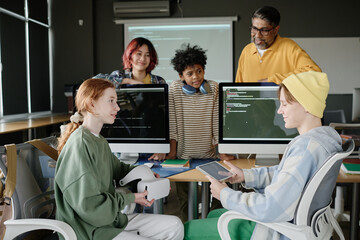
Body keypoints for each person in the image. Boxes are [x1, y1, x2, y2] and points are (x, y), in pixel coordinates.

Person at [184, 71, 343, 239]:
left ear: (305, 104)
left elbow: (270, 207)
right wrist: (245, 175)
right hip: (301, 224)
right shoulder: (320, 142)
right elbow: (287, 176)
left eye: (284, 104)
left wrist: (225, 194)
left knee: (187, 229)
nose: (280, 111)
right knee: (213, 215)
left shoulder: (305, 149)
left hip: (276, 230)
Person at [55, 78, 183, 240]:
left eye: (116, 101)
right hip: (90, 231)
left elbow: (119, 169)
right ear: (91, 104)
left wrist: (146, 175)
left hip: (109, 222)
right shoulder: (80, 144)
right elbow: (90, 206)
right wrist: (131, 198)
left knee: (174, 226)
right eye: (111, 101)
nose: (118, 107)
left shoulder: (98, 140)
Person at [168, 44, 234, 222]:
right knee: (184, 197)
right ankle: (189, 225)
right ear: (181, 76)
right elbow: (172, 123)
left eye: (199, 71)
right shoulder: (174, 89)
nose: (195, 77)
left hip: (209, 154)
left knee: (219, 191)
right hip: (183, 154)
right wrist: (172, 152)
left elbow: (217, 121)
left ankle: (211, 221)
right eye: (189, 74)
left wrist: (222, 151)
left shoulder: (213, 88)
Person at [94, 37, 166, 161]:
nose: (143, 59)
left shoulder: (158, 81)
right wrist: (127, 81)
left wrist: (162, 148)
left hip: (150, 145)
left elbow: (164, 119)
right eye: (139, 54)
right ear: (130, 55)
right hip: (122, 146)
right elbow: (94, 81)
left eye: (147, 55)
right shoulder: (118, 77)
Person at [235, 6, 321, 84]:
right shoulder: (246, 51)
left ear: (276, 30)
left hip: (281, 101)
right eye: (254, 28)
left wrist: (274, 80)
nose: (257, 35)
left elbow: (315, 73)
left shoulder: (289, 47)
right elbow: (238, 86)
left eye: (264, 30)